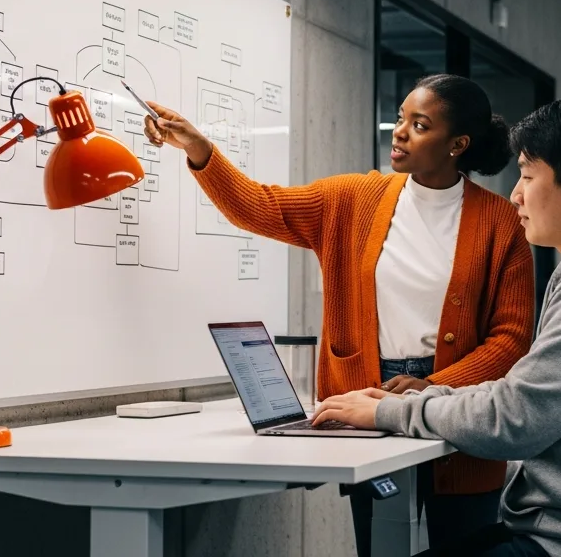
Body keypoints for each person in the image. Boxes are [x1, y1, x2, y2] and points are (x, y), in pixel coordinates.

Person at [142, 74, 536, 556]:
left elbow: (511, 339)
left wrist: (433, 387)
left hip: (458, 404)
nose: (400, 131)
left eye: (420, 125)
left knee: (466, 548)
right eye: (402, 118)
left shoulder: (501, 223)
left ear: (458, 144)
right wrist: (199, 148)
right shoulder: (352, 198)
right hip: (365, 398)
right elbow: (258, 206)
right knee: (381, 541)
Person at [313, 99, 561, 557]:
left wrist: (390, 413)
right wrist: (415, 399)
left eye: (528, 176)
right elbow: (520, 394)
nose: (516, 194)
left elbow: (514, 421)